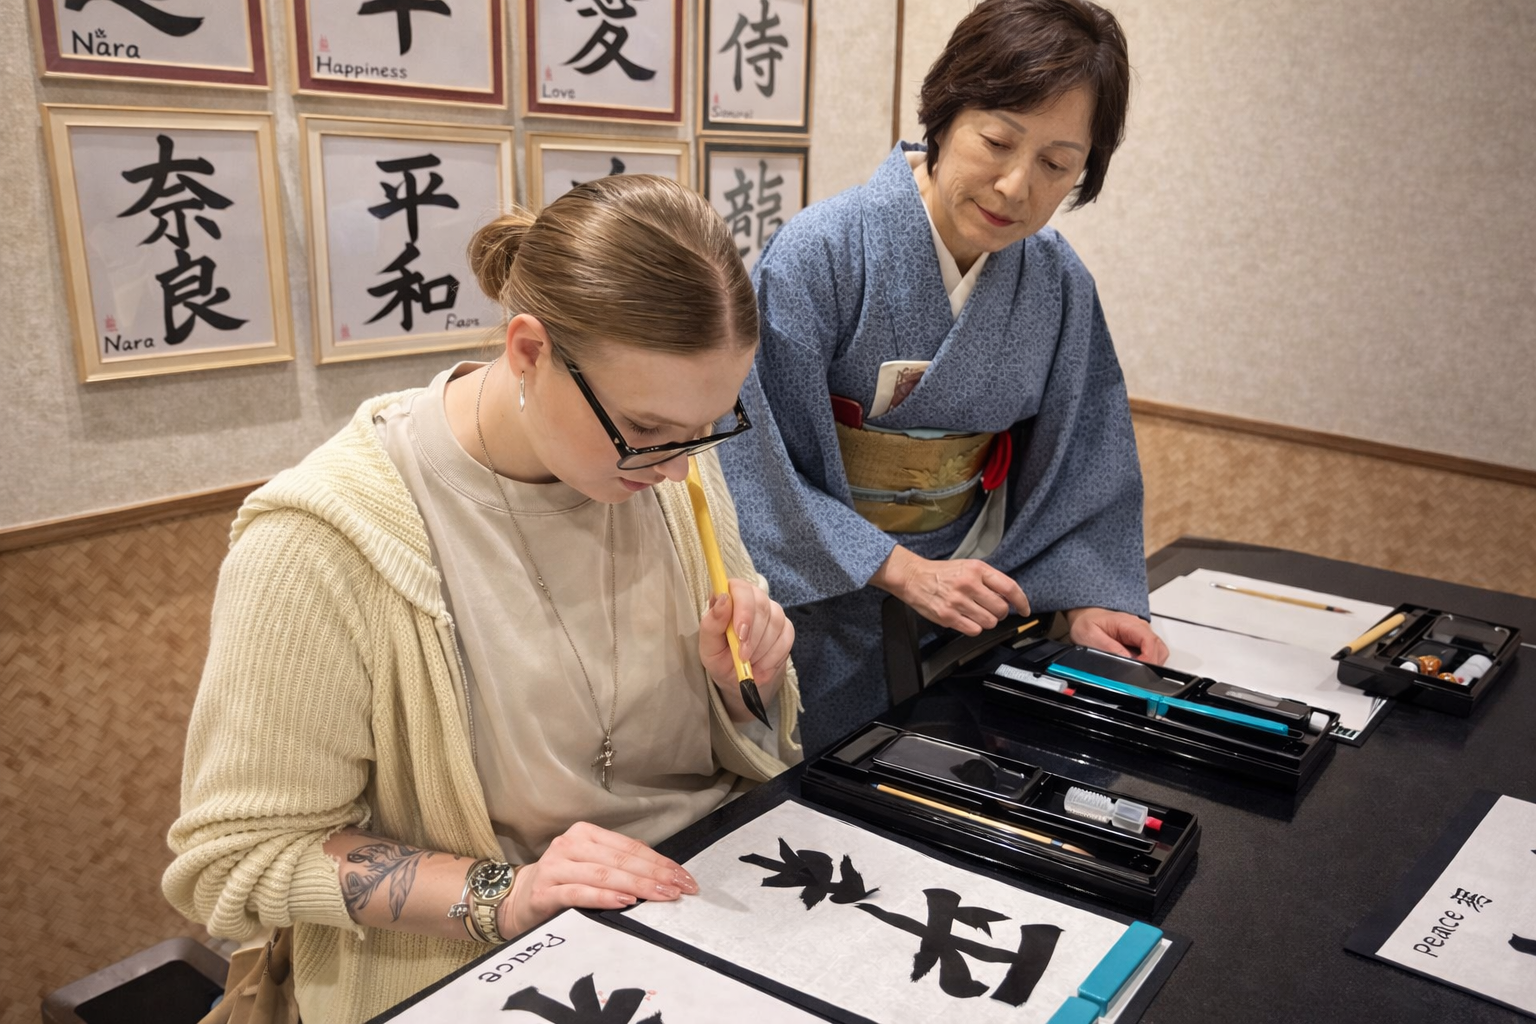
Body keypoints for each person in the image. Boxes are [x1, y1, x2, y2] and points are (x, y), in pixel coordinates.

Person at [163, 175, 802, 1024]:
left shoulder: (673, 466)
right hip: (479, 969)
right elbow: (239, 857)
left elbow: (760, 740)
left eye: (710, 426)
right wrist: (509, 893)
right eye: (645, 430)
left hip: (704, 908)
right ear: (529, 350)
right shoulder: (324, 538)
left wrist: (741, 684)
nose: (679, 467)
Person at [718, 0, 1167, 756]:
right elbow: (752, 460)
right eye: (997, 141)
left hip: (968, 608)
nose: (1016, 187)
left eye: (1057, 164)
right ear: (946, 113)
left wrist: (1087, 600)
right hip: (822, 608)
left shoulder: (1057, 283)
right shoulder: (820, 253)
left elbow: (1085, 460)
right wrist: (893, 567)